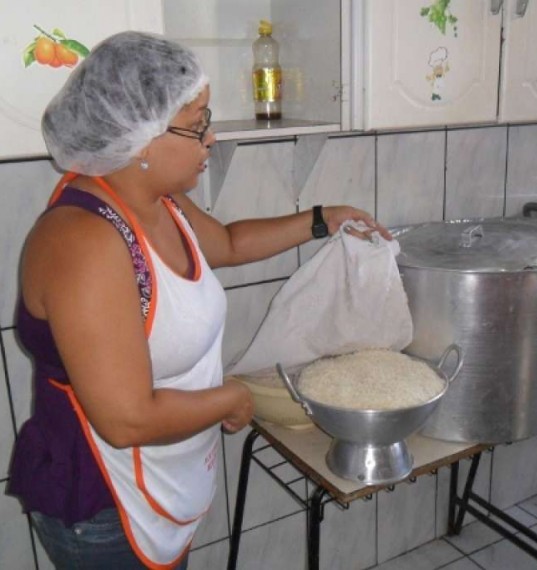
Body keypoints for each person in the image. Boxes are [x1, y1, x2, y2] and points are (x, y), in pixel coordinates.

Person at [7, 31, 391, 570]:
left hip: (166, 478)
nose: (210, 140)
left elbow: (228, 244)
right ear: (140, 139)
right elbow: (127, 420)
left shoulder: (155, 199)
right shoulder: (84, 243)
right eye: (198, 124)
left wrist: (325, 219)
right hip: (103, 503)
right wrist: (232, 399)